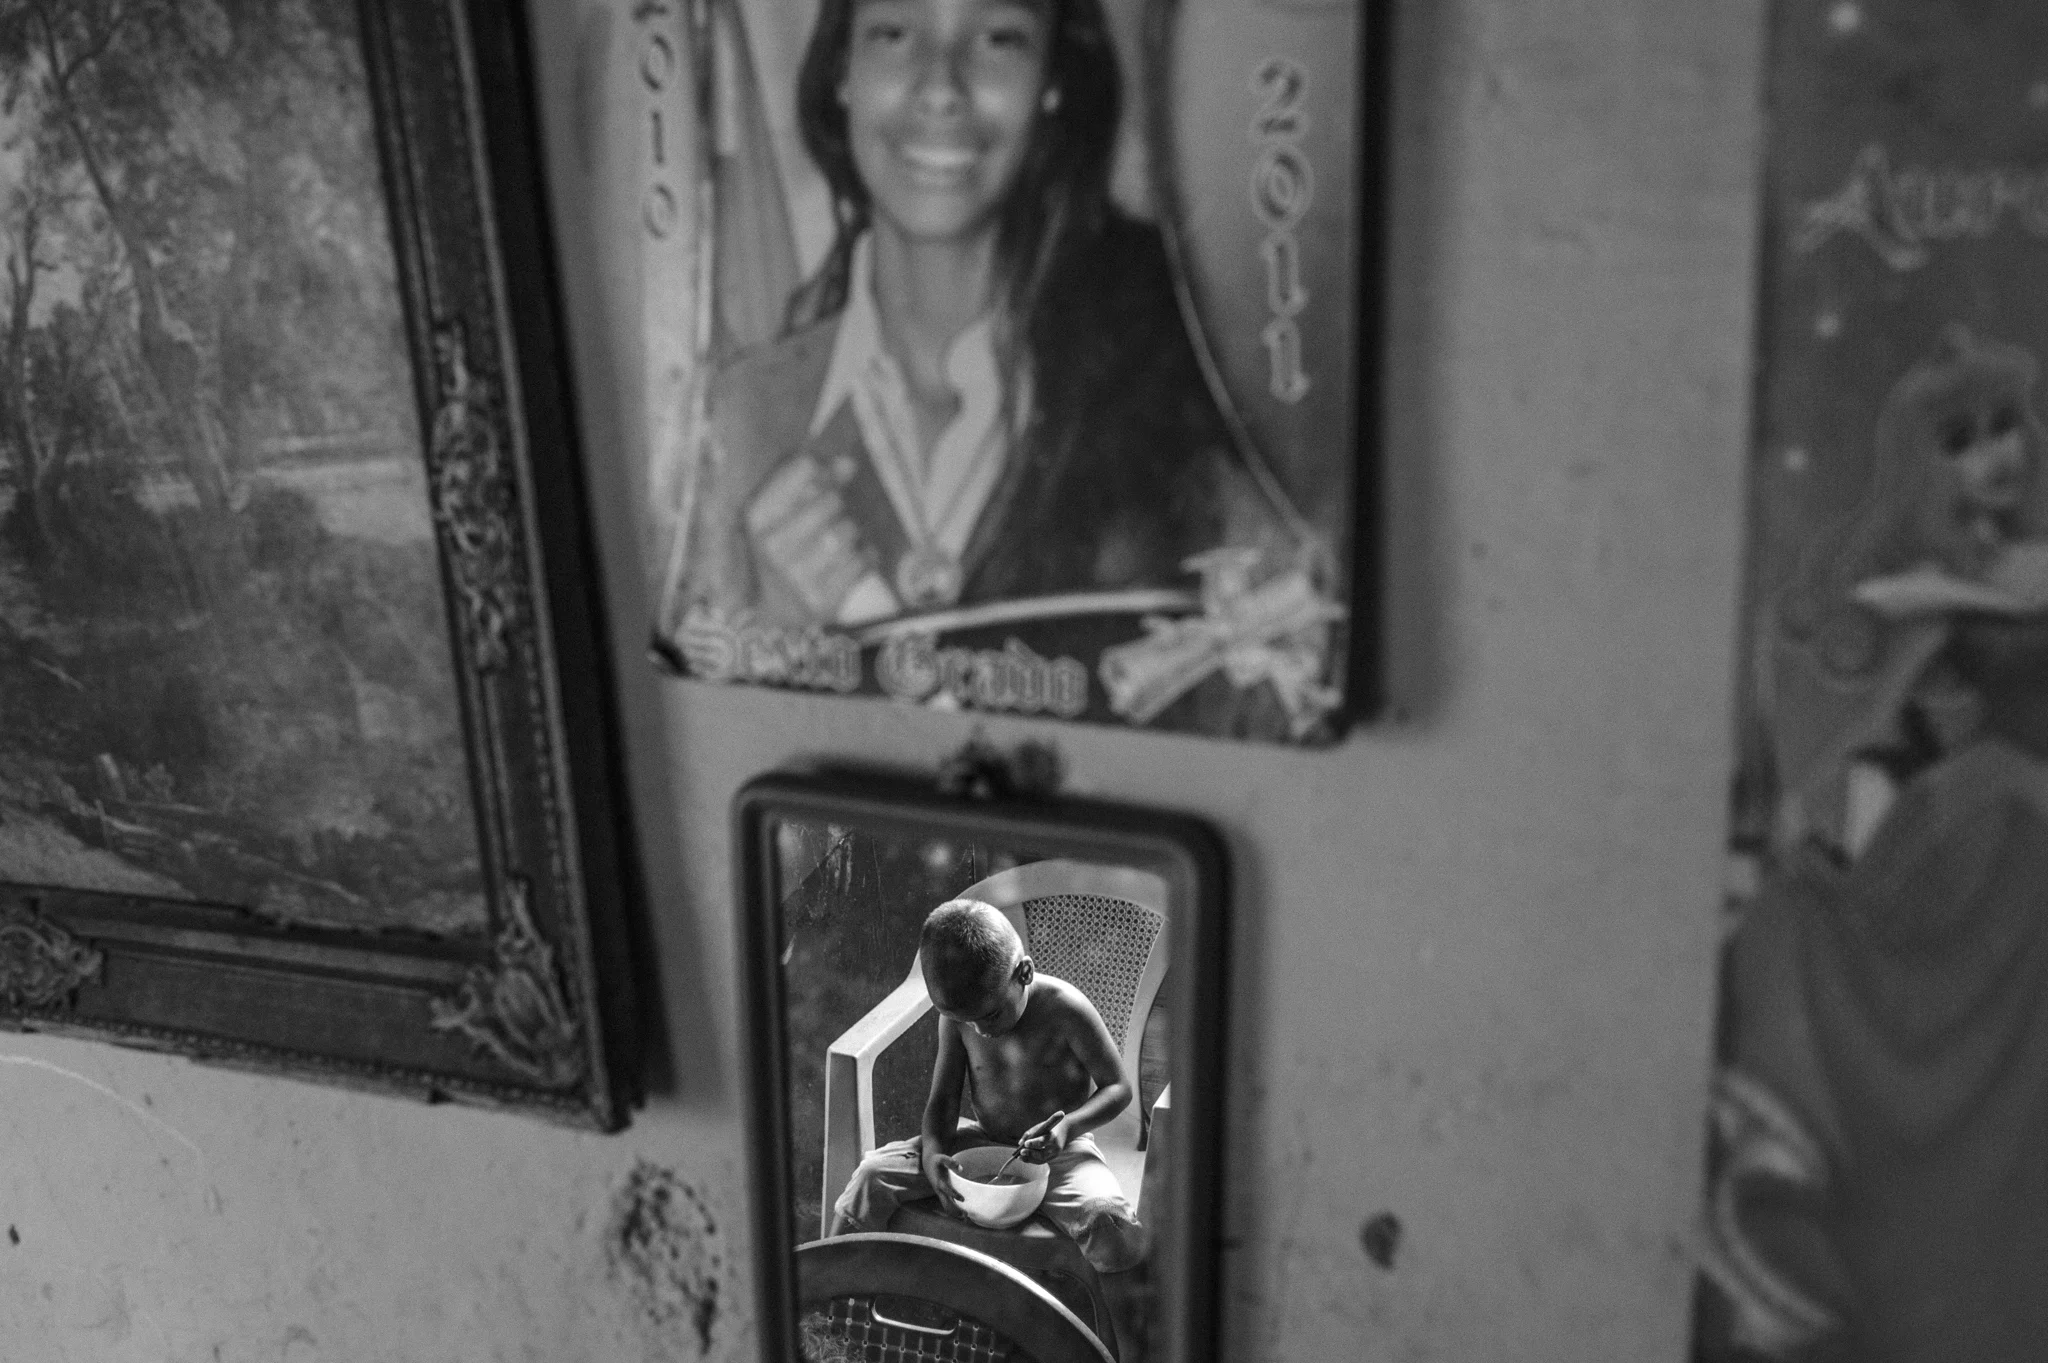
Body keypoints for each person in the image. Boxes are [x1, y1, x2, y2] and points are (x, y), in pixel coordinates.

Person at [681, 0, 1288, 631]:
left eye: (998, 39)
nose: (941, 87)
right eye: (895, 33)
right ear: (842, 71)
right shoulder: (741, 421)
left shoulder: (1185, 389)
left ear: (1053, 80)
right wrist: (778, 627)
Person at [827, 897, 1146, 1278]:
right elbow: (944, 1101)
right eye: (967, 1021)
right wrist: (933, 1157)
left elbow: (1118, 1088)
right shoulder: (959, 1020)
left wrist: (1066, 1129)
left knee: (1110, 1226)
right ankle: (831, 1293)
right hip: (980, 1143)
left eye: (991, 1015)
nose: (980, 1031)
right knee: (871, 1176)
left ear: (1024, 973)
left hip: (1060, 1154)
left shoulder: (1067, 1010)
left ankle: (1105, 1319)